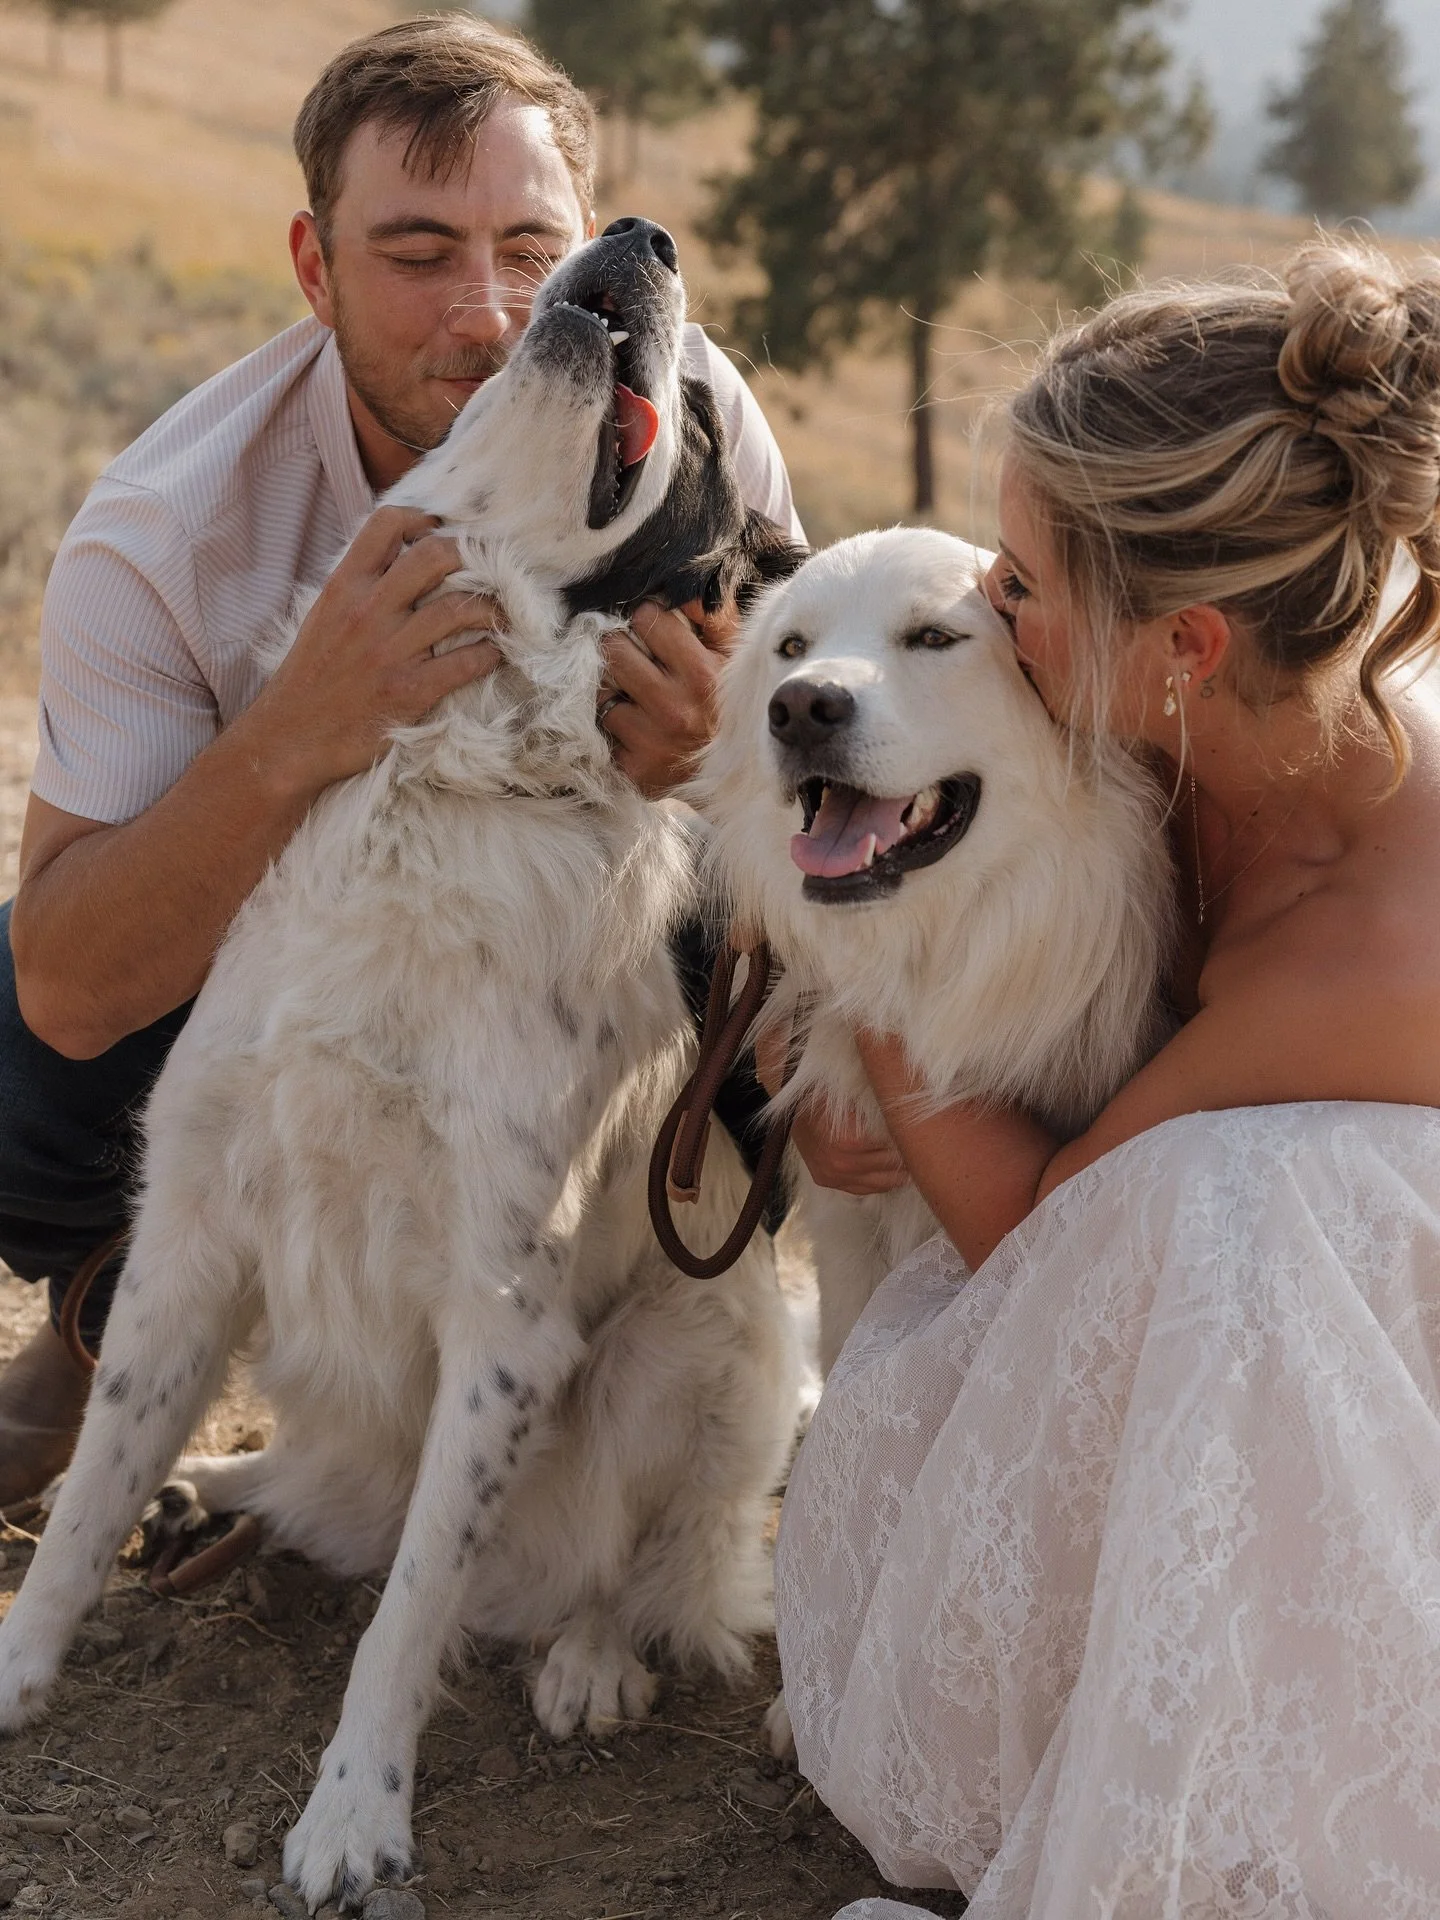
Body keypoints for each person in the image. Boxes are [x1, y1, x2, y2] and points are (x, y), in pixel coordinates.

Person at [0, 13, 804, 1506]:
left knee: (775, 955)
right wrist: (293, 735)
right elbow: (70, 982)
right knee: (19, 1022)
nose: (492, 316)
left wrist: (718, 763)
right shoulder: (169, 527)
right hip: (311, 988)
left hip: (580, 985)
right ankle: (120, 1312)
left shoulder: (694, 421)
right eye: (419, 253)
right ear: (313, 268)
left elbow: (819, 795)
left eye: (530, 248)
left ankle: (656, 1336)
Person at [782, 239, 1440, 1917]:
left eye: (1020, 583)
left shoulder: (1365, 954)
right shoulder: (1212, 717)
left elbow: (1049, 1244)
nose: (995, 613)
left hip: (1349, 1368)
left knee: (1229, 1209)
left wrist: (881, 987)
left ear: (1183, 647)